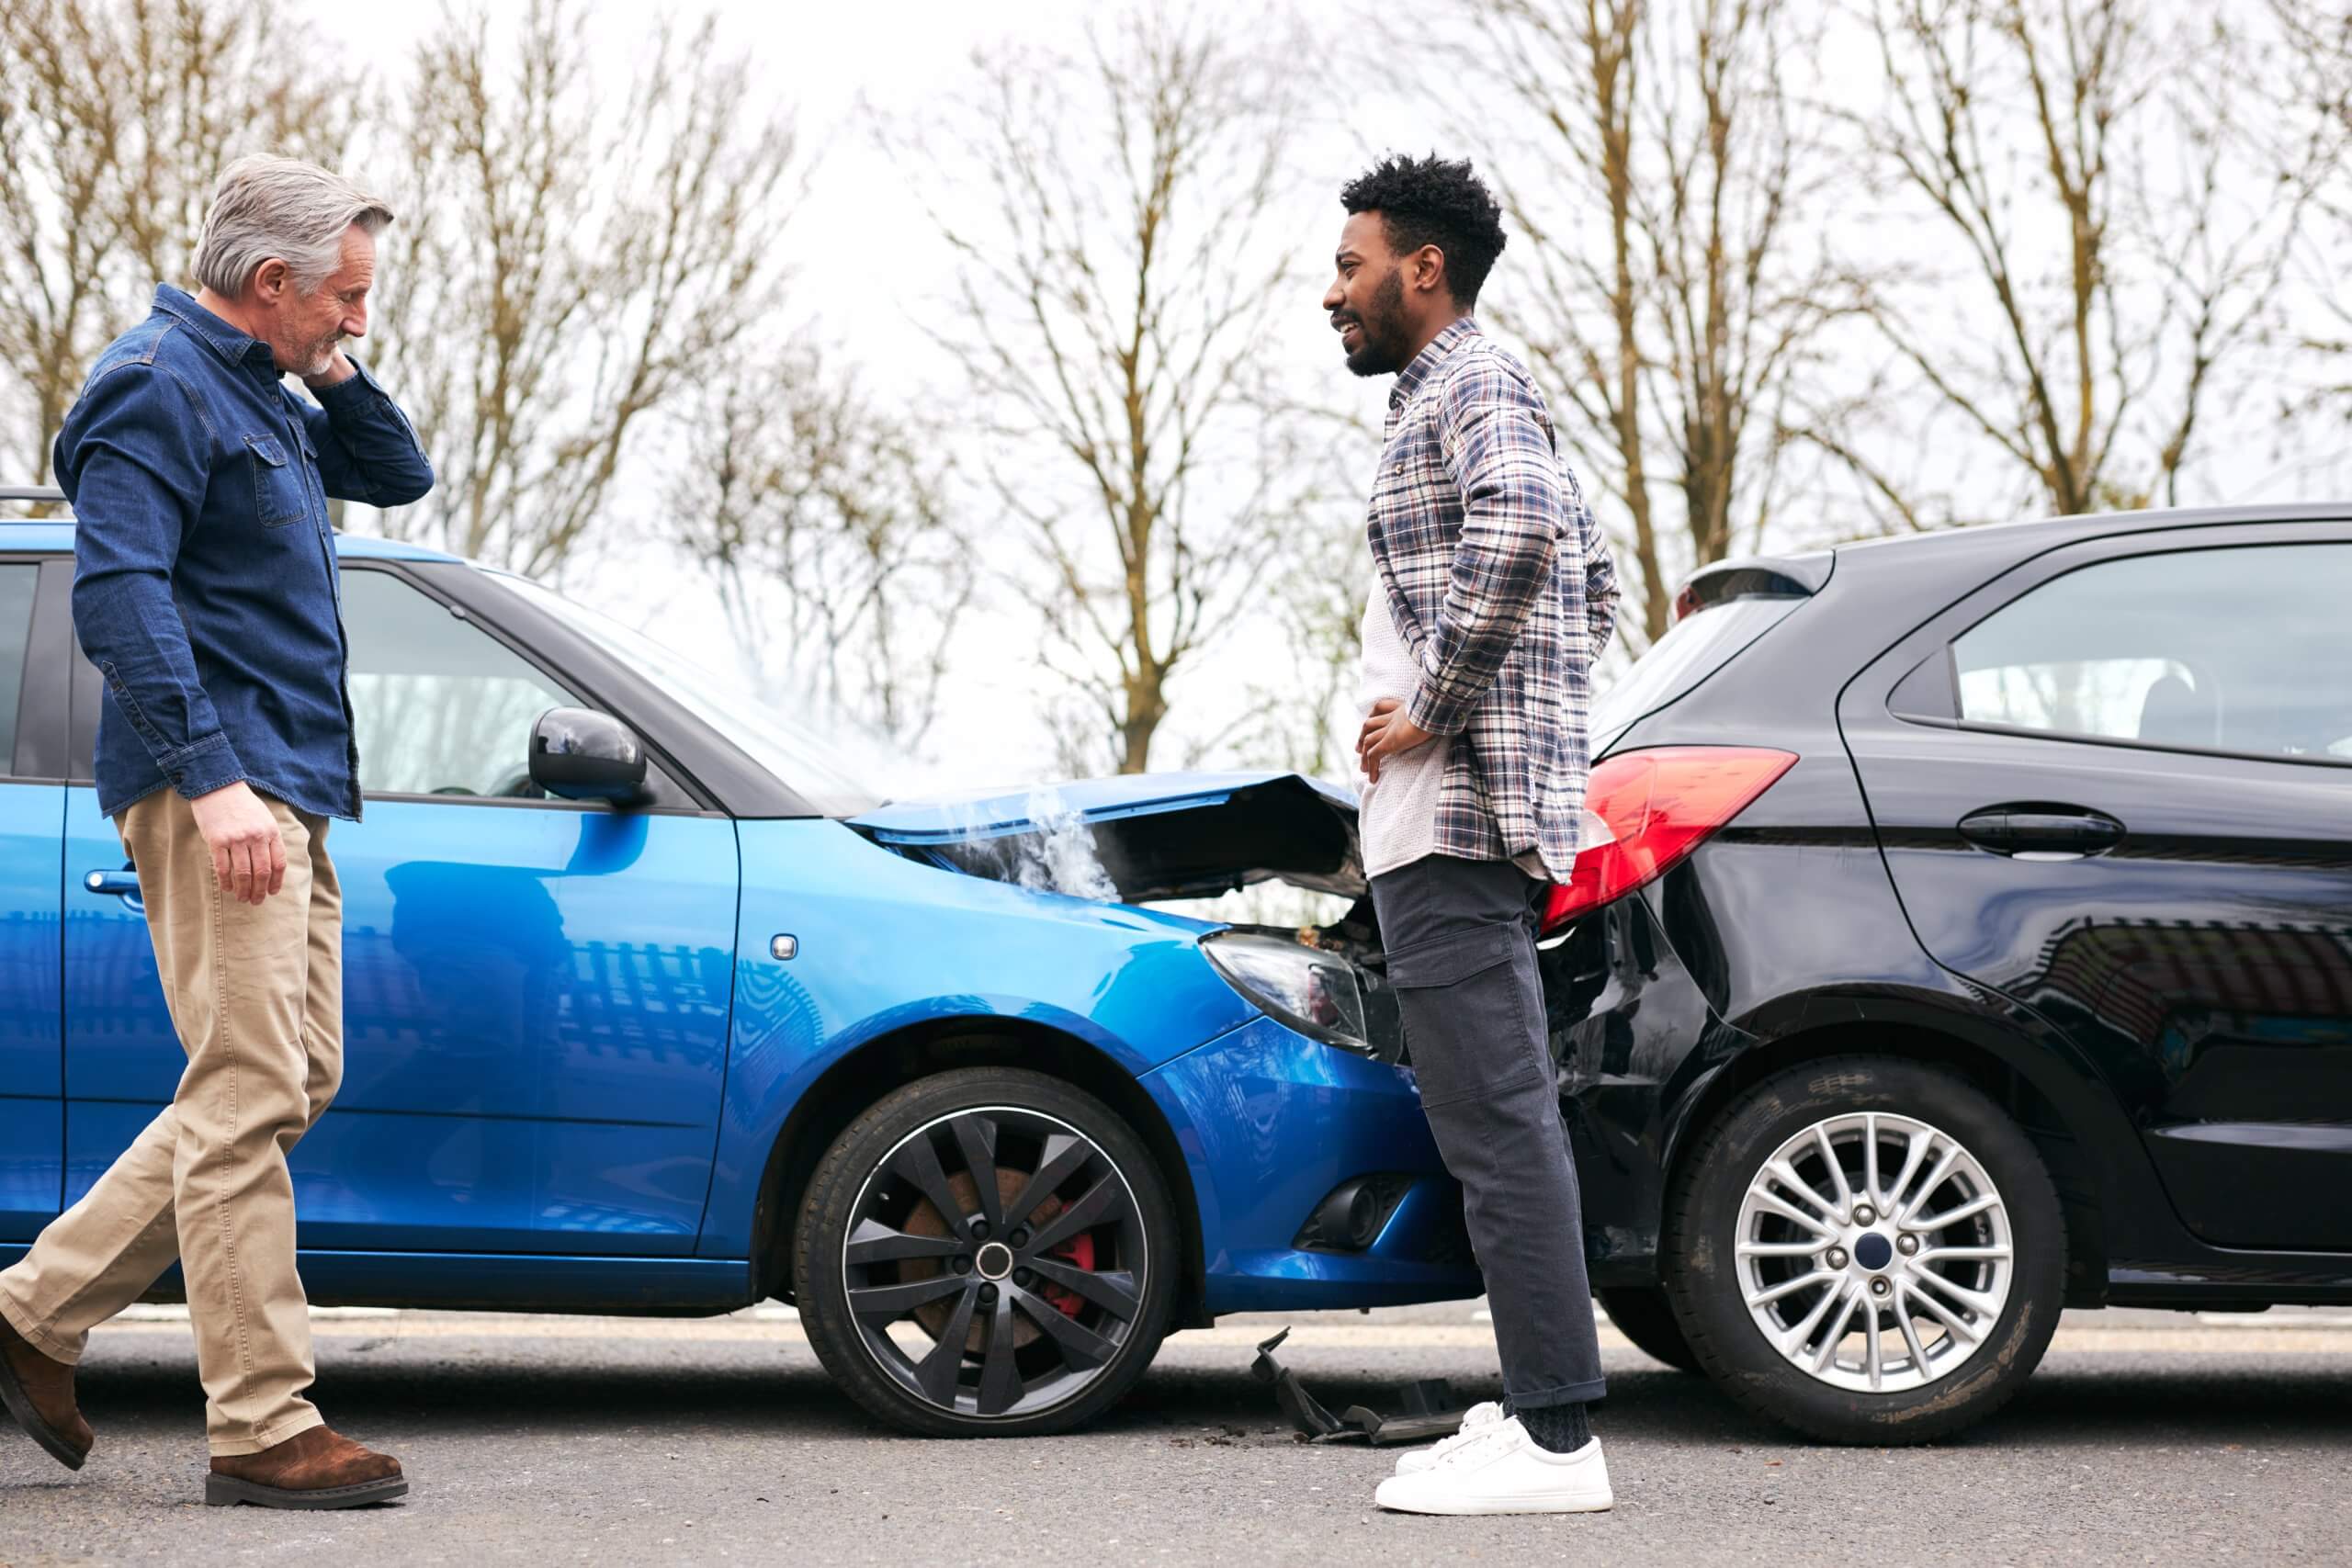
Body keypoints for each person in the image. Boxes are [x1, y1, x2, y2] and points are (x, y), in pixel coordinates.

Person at [0, 154, 434, 1509]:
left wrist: (333, 367)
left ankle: (32, 1311)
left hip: (291, 781)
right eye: (344, 299)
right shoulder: (152, 384)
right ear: (266, 282)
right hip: (223, 789)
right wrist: (212, 780)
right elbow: (118, 595)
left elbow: (401, 474)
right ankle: (261, 1422)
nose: (356, 319)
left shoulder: (267, 391)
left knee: (290, 1077)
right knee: (248, 1091)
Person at [1324, 153, 1622, 1517]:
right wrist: (1521, 714)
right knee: (1489, 1123)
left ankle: (1559, 1441)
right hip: (1446, 814)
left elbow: (1526, 536)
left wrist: (1439, 709)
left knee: (1498, 1126)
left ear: (1421, 268)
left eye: (1351, 263)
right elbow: (1593, 568)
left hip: (1454, 818)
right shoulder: (1453, 398)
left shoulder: (1476, 381)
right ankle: (1537, 1415)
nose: (1333, 289)